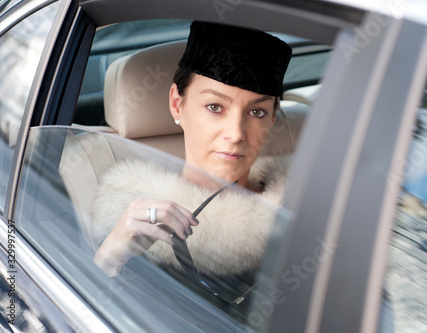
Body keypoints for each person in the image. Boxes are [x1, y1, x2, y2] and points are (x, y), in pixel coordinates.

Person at [90, 21, 292, 301]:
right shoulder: (141, 230)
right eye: (215, 107)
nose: (236, 134)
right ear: (177, 104)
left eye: (256, 112)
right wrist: (109, 260)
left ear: (273, 117)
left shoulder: (306, 202)